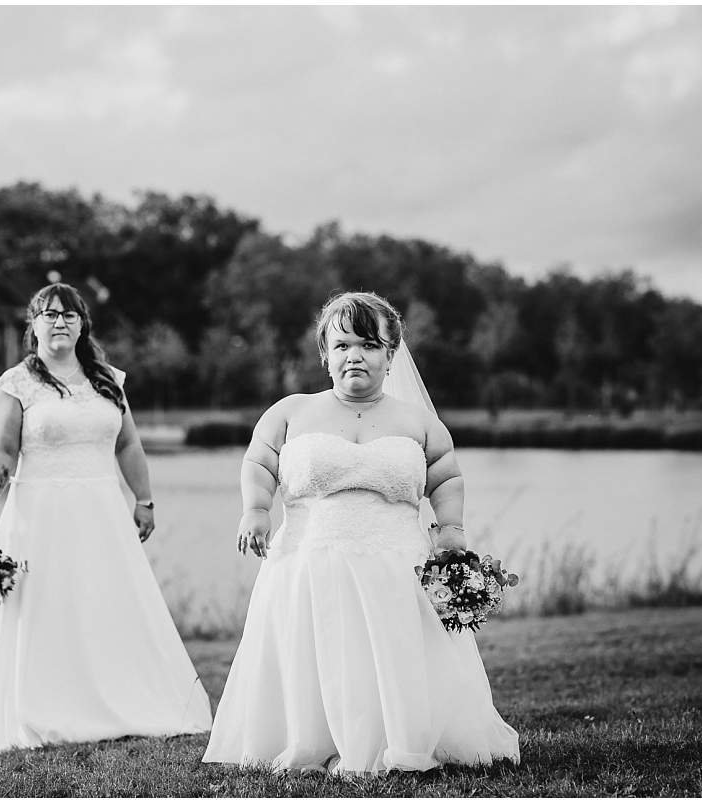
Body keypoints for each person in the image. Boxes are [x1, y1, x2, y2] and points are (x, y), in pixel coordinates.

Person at [202, 291, 519, 774]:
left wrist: (451, 528)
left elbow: (447, 476)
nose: (355, 355)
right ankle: (313, 740)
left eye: (370, 345)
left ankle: (399, 739)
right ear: (325, 354)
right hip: (308, 560)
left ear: (391, 356)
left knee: (392, 656)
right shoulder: (290, 411)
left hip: (396, 563)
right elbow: (259, 462)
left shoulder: (418, 421)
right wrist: (255, 510)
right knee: (317, 653)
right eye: (343, 344)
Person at [0, 283, 211, 754]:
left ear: (83, 325)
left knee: (104, 602)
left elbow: (128, 444)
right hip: (38, 515)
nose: (60, 322)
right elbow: (0, 452)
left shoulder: (109, 382)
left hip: (101, 514)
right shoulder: (15, 384)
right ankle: (43, 706)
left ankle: (117, 699)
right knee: (45, 607)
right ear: (33, 325)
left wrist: (144, 499)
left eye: (70, 315)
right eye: (50, 314)